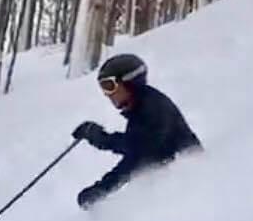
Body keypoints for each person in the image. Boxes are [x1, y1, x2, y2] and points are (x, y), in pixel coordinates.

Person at [72, 54, 201, 209]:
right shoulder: (141, 107)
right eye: (103, 87)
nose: (107, 94)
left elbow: (137, 151)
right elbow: (135, 152)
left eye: (109, 85)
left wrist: (101, 189)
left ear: (130, 82)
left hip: (189, 186)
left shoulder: (154, 109)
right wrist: (102, 188)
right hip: (174, 183)